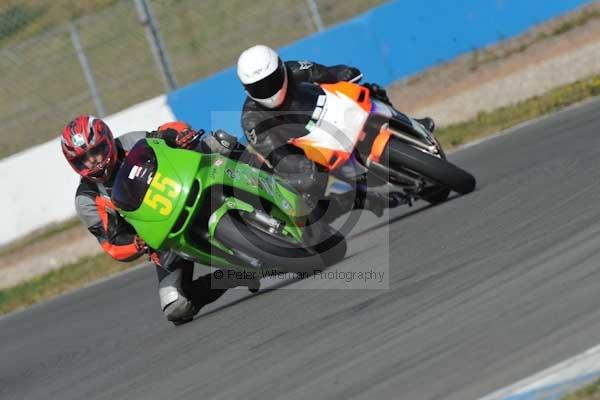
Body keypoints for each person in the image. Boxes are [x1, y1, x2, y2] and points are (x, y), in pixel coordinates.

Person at [61, 116, 256, 326]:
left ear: (107, 140)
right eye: (84, 159)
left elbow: (164, 133)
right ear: (75, 164)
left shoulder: (129, 143)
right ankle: (237, 275)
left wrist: (180, 136)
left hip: (182, 187)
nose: (94, 161)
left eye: (97, 151)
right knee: (176, 306)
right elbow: (112, 242)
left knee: (219, 141)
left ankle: (266, 173)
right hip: (162, 236)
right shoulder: (87, 199)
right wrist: (136, 243)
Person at [237, 44, 436, 222]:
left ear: (281, 69)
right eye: (258, 87)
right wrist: (301, 168)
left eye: (272, 81)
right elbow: (277, 153)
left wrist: (344, 74)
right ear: (247, 90)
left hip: (330, 113)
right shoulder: (251, 119)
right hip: (309, 148)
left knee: (369, 90)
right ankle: (360, 198)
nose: (268, 90)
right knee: (313, 200)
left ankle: (409, 123)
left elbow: (326, 73)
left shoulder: (295, 69)